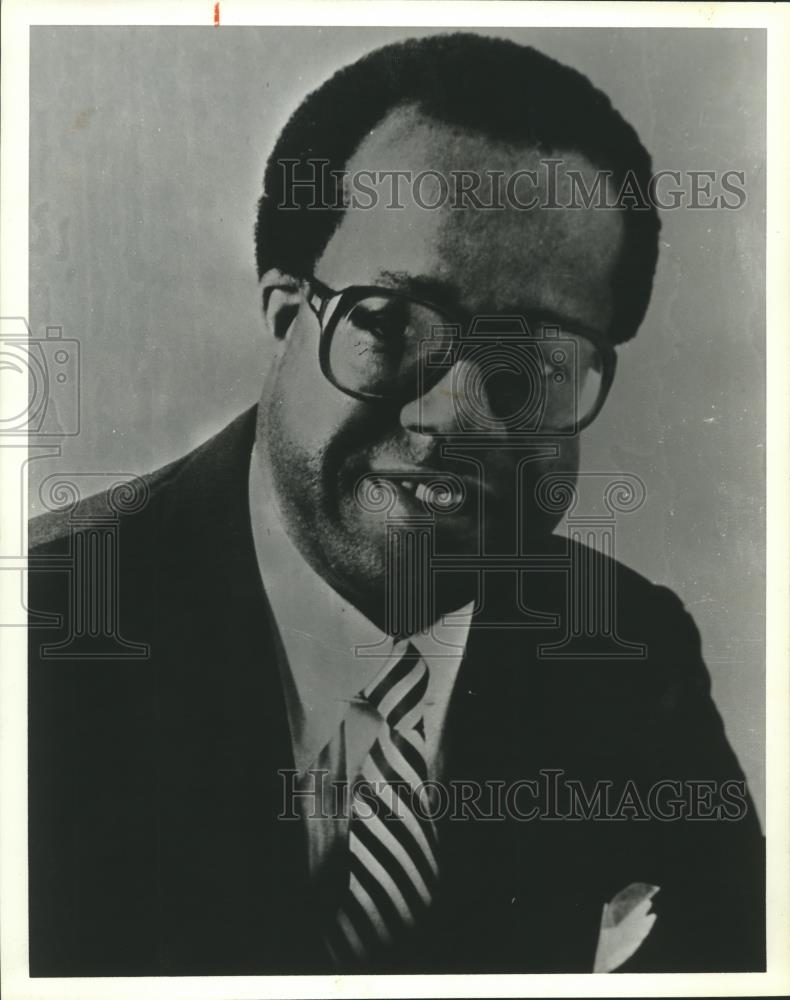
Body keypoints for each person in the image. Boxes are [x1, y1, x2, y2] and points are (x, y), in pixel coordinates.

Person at [27, 33, 764, 976]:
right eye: (389, 326)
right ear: (288, 313)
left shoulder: (631, 649)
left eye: (534, 362)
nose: (455, 416)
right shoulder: (44, 633)